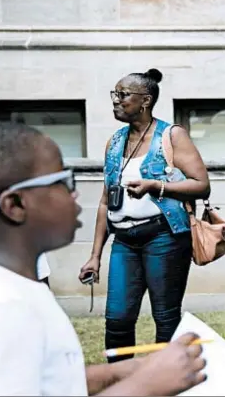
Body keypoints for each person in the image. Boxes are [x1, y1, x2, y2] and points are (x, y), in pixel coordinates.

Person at [0, 121, 207, 396]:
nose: (75, 193)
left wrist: (121, 372)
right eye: (62, 182)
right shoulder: (2, 308)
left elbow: (48, 382)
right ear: (14, 205)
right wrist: (145, 385)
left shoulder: (21, 290)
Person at [79, 68, 211, 363]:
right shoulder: (114, 141)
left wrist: (156, 186)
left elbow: (201, 185)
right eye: (115, 94)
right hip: (124, 241)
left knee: (165, 319)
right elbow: (105, 201)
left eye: (122, 95)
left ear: (145, 101)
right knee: (117, 319)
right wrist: (95, 255)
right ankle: (121, 384)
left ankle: (165, 384)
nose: (115, 101)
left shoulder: (171, 135)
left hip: (163, 237)